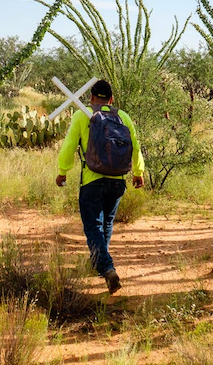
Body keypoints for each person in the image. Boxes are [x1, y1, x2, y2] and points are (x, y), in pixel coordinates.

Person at [56, 79, 144, 295]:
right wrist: (139, 173)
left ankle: (106, 267)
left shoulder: (82, 116)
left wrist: (62, 170)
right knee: (106, 224)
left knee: (93, 225)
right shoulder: (123, 117)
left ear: (91, 98)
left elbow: (69, 146)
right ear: (111, 99)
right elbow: (135, 146)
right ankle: (99, 264)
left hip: (92, 180)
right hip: (117, 180)